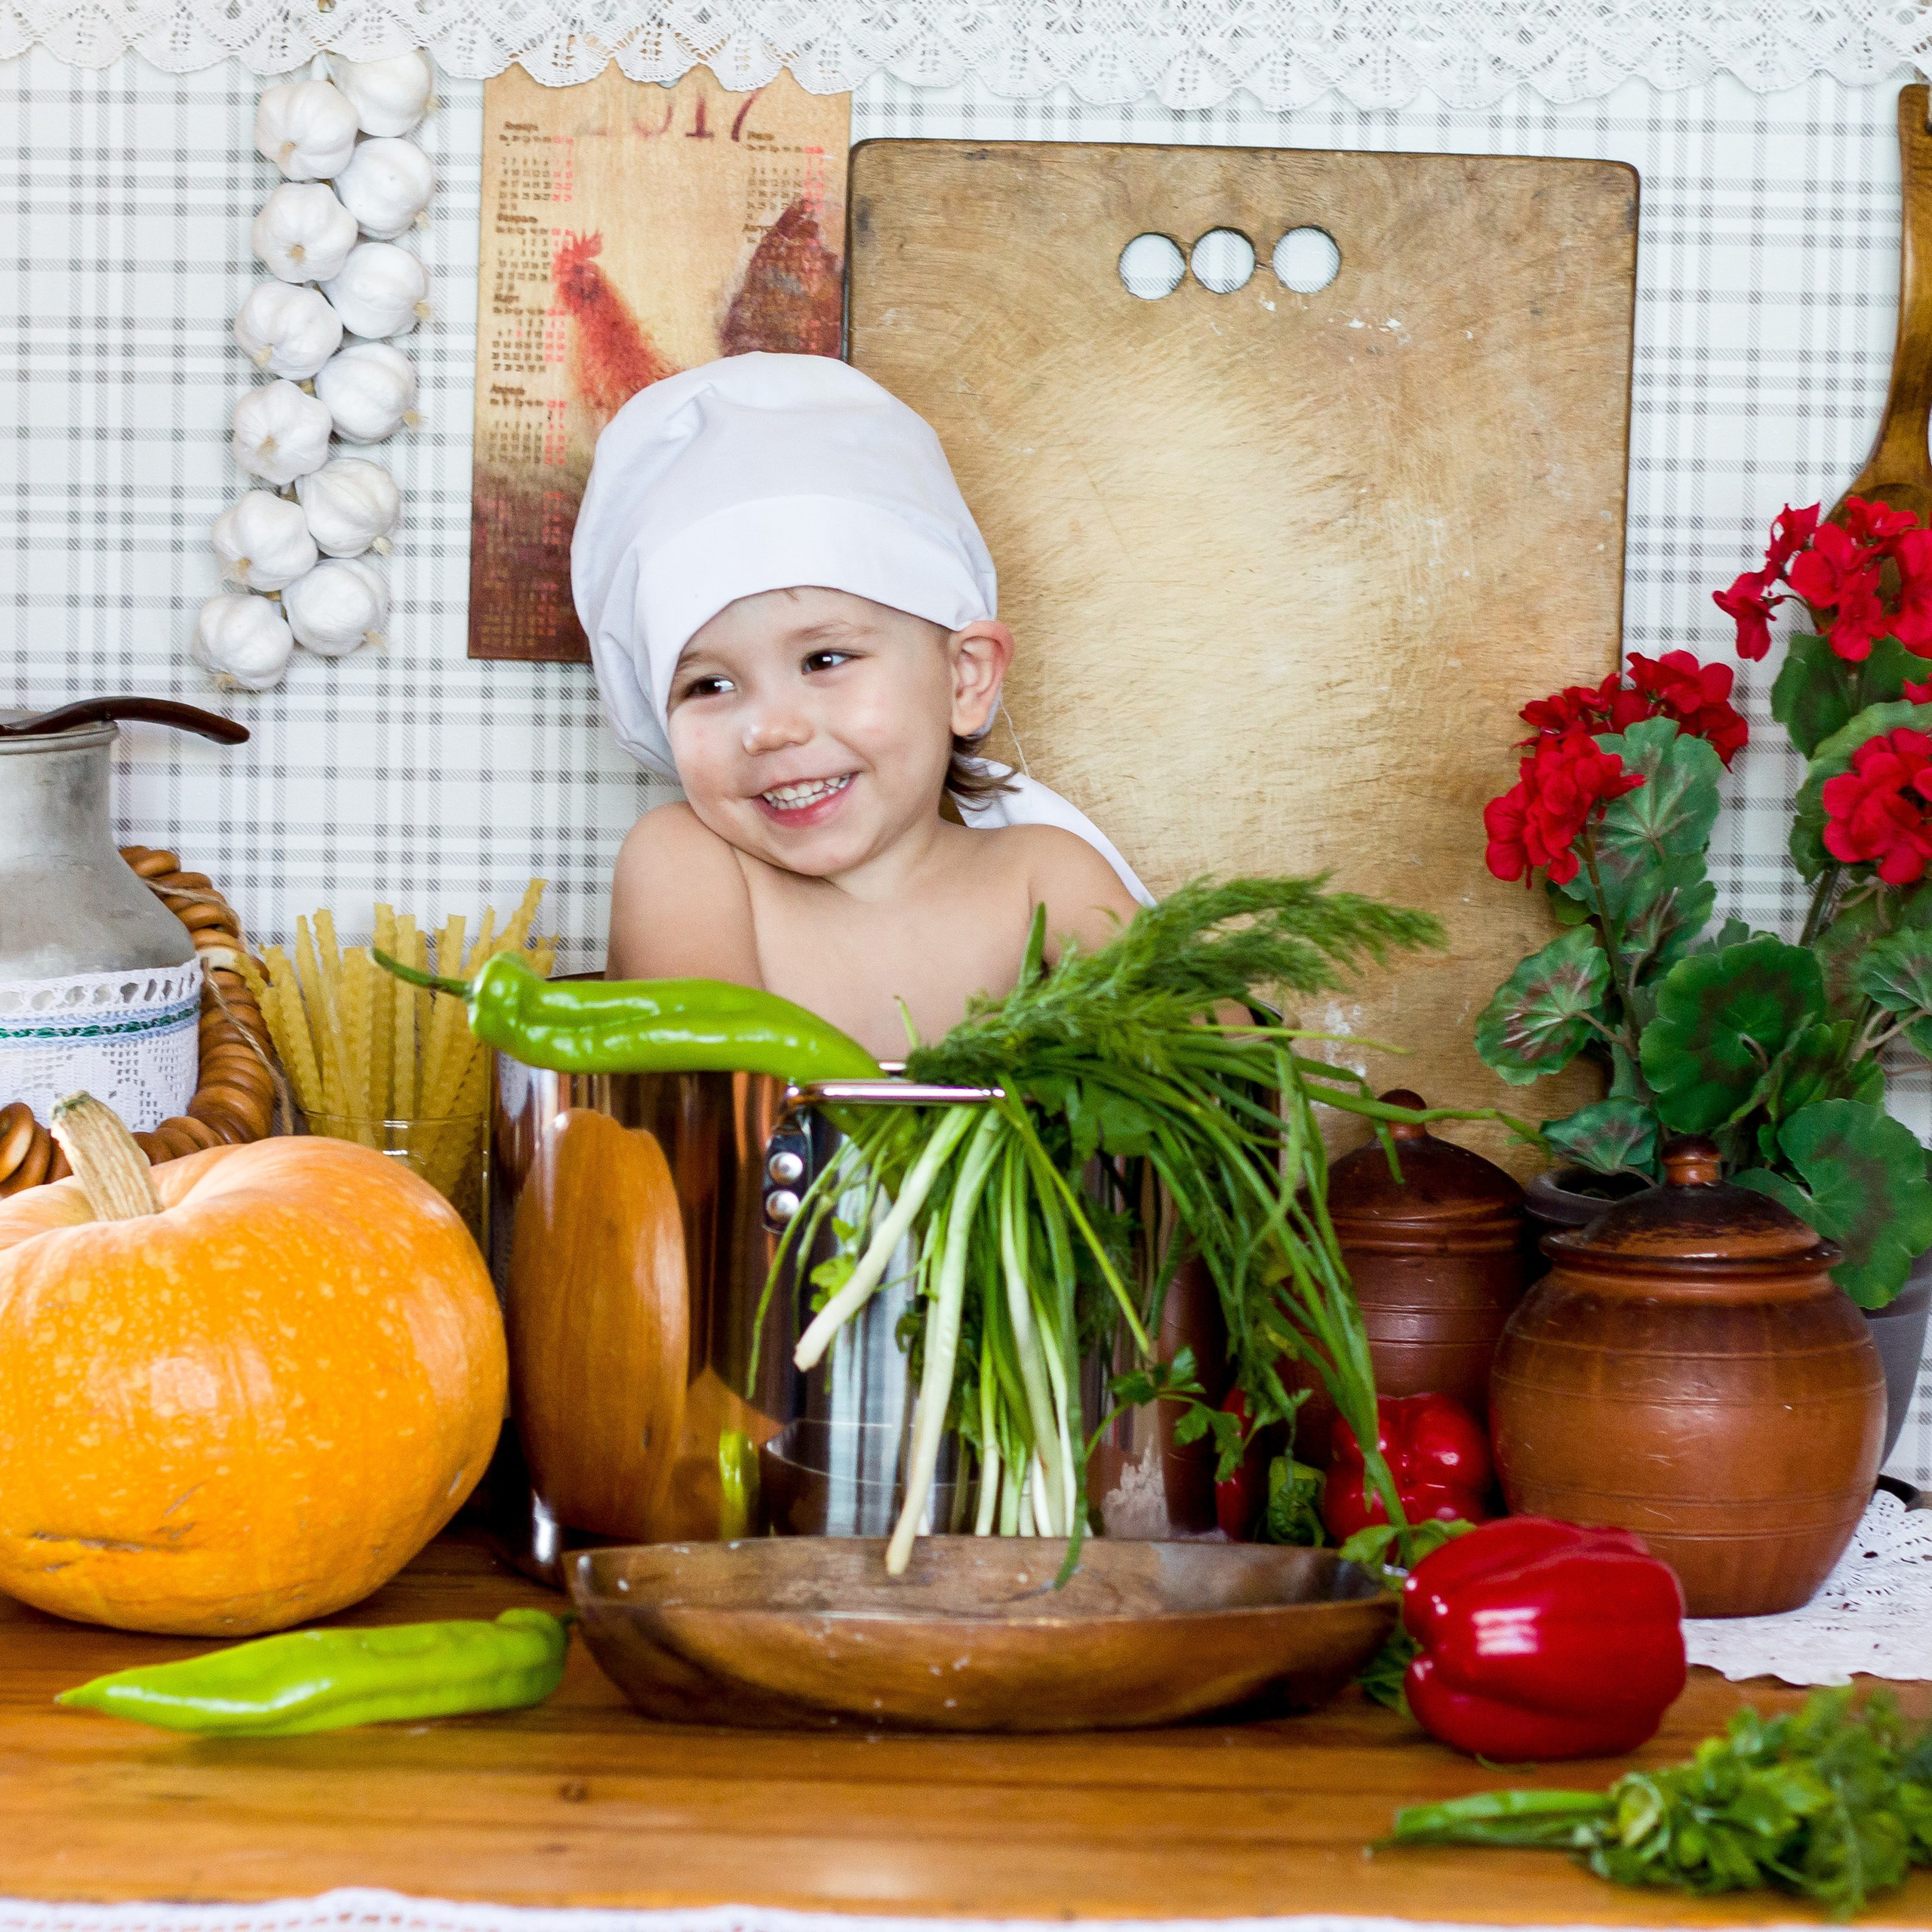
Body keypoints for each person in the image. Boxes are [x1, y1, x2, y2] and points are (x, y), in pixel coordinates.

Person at [573, 352, 1149, 1060]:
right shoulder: (685, 865)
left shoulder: (1041, 875)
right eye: (709, 686)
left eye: (824, 660)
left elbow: (1223, 1087)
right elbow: (713, 1098)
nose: (771, 729)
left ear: (964, 678)